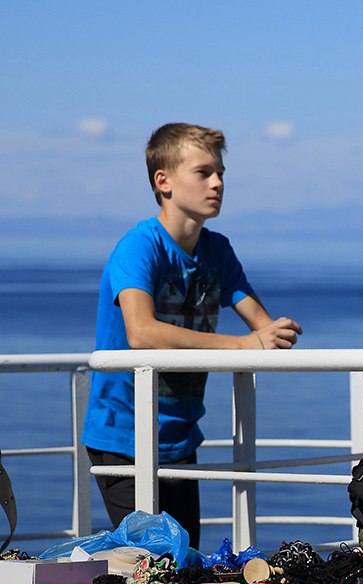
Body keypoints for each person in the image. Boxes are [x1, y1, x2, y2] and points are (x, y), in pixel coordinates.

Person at [81, 123, 302, 549]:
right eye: (203, 172)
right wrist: (243, 345)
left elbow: (263, 327)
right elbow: (140, 332)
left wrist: (274, 334)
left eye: (220, 172)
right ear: (163, 181)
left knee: (183, 567)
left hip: (180, 438)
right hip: (124, 436)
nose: (217, 182)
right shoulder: (140, 246)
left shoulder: (216, 251)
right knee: (154, 568)